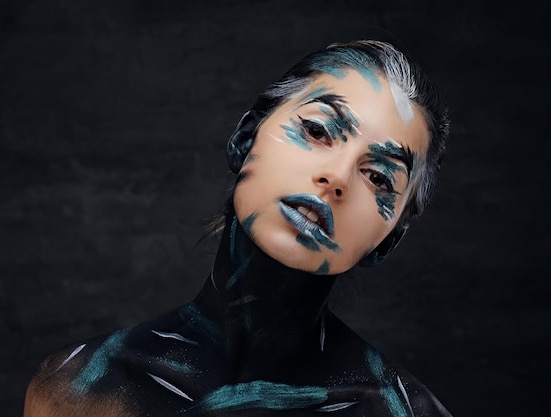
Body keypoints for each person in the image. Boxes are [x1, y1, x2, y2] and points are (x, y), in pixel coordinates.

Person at [24, 40, 451, 417]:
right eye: (318, 130)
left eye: (378, 177)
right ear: (245, 138)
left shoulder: (400, 412)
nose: (336, 177)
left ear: (389, 239)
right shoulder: (80, 387)